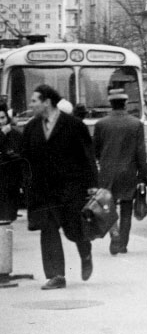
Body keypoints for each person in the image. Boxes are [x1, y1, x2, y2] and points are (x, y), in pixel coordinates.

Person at [20, 84, 98, 290]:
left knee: (75, 230)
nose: (31, 104)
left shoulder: (74, 125)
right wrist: (25, 185)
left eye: (34, 101)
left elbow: (88, 159)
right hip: (43, 192)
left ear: (47, 102)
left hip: (71, 189)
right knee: (48, 230)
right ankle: (56, 275)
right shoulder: (31, 128)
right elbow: (24, 159)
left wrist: (92, 186)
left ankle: (85, 252)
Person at [93, 88, 147, 255]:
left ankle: (114, 234)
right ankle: (123, 244)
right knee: (126, 208)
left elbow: (95, 151)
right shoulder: (136, 124)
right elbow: (141, 153)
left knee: (108, 206)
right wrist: (143, 176)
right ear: (125, 103)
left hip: (107, 173)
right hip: (128, 173)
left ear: (110, 103)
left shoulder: (101, 124)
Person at [0, 103, 24, 223]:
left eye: (2, 118)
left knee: (8, 218)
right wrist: (2, 134)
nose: (0, 122)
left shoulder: (16, 134)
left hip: (11, 179)